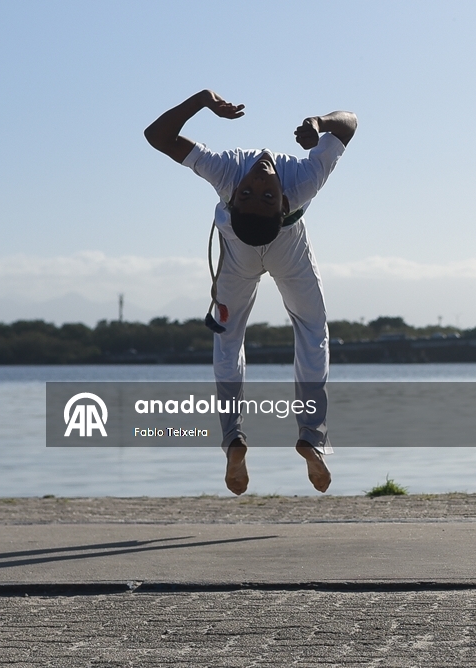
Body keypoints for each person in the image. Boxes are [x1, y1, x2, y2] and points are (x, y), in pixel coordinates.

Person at [144, 90, 356, 495]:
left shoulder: (227, 172)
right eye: (258, 193)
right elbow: (350, 123)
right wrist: (321, 123)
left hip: (240, 259)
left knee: (228, 341)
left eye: (254, 193)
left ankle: (234, 439)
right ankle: (311, 435)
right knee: (312, 332)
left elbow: (158, 136)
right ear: (284, 203)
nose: (258, 181)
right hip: (285, 252)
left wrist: (202, 101)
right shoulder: (303, 180)